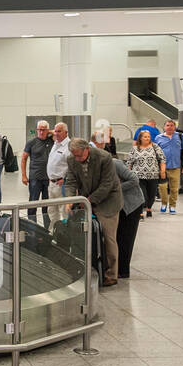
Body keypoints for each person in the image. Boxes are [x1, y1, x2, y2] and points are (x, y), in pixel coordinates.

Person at [64, 138, 124, 286]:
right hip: (86, 201)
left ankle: (111, 274)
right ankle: (85, 270)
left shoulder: (104, 157)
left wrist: (89, 201)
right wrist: (70, 199)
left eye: (80, 155)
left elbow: (107, 184)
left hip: (108, 201)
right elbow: (71, 182)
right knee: (83, 235)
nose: (77, 159)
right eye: (75, 156)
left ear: (87, 149)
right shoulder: (71, 159)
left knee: (108, 238)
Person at [112, 156, 144, 279]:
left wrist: (115, 189)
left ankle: (123, 271)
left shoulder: (115, 164)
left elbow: (134, 180)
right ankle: (117, 269)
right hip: (118, 205)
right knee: (119, 237)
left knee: (126, 238)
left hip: (132, 204)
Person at [125, 129, 165, 219]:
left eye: (148, 137)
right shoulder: (135, 149)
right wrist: (127, 174)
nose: (147, 138)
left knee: (152, 195)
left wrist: (162, 171)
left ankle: (149, 208)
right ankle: (141, 212)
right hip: (138, 175)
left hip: (153, 175)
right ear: (140, 138)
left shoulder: (155, 147)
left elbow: (162, 159)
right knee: (143, 195)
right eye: (145, 137)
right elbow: (129, 162)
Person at [153, 119, 183, 215]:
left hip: (176, 167)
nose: (170, 127)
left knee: (174, 188)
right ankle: (164, 203)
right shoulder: (158, 138)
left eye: (172, 125)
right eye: (168, 125)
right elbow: (154, 152)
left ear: (175, 127)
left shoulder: (181, 137)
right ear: (164, 127)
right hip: (162, 167)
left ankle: (172, 206)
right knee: (162, 187)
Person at [21, 120, 55, 224]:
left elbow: (59, 133)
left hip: (48, 178)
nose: (41, 132)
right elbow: (23, 159)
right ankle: (32, 227)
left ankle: (47, 229)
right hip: (35, 178)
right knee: (33, 204)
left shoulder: (52, 141)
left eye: (43, 130)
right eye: (39, 129)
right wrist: (24, 176)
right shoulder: (31, 143)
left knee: (46, 206)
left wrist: (51, 132)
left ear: (47, 130)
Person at [45, 122, 72, 224]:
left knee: (64, 211)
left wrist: (65, 178)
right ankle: (55, 232)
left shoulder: (69, 146)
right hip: (51, 184)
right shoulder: (56, 144)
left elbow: (73, 166)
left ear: (66, 132)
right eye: (55, 131)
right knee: (52, 211)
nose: (56, 133)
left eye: (59, 131)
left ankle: (66, 234)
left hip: (62, 185)